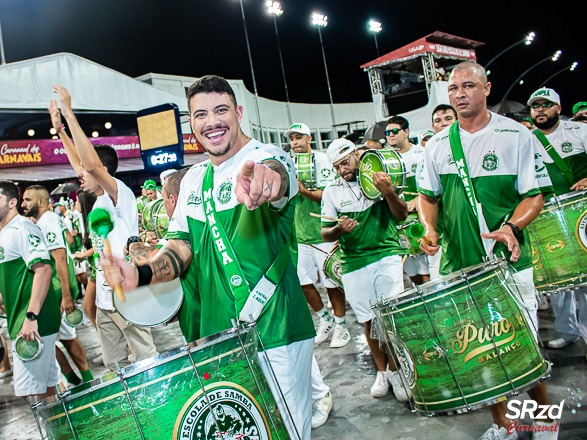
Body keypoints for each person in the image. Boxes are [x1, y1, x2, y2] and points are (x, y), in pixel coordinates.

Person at [101, 75, 315, 438]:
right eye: (200, 115)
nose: (211, 122)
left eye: (221, 110)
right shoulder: (193, 180)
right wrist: (144, 274)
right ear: (191, 123)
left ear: (239, 112)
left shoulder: (267, 156)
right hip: (220, 339)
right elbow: (179, 247)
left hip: (276, 331)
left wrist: (268, 180)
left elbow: (278, 177)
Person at [418, 61, 557, 440]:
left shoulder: (515, 135)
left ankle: (544, 423)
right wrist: (429, 227)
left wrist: (513, 226)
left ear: (487, 88)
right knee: (479, 350)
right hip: (459, 263)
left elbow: (534, 194)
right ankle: (504, 425)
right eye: (452, 89)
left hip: (508, 262)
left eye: (467, 86)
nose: (459, 94)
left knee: (523, 346)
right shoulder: (438, 144)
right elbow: (427, 196)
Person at [50, 85, 158, 372]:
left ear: (102, 171)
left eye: (85, 171)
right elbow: (83, 164)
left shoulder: (118, 193)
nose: (79, 176)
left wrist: (70, 114)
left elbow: (92, 167)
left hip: (128, 293)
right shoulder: (98, 199)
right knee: (114, 365)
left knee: (145, 357)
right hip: (107, 301)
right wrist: (60, 130)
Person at [321, 138, 412, 401]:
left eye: (345, 163)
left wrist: (389, 192)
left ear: (358, 155)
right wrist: (339, 229)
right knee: (368, 321)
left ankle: (397, 369)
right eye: (336, 167)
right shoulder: (332, 192)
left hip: (386, 254)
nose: (342, 170)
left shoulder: (380, 177)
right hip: (353, 262)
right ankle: (383, 372)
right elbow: (325, 233)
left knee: (390, 318)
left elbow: (402, 215)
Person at [528, 87, 587, 350]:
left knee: (585, 280)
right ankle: (568, 331)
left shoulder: (580, 131)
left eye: (546, 105)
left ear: (558, 109)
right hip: (550, 218)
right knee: (558, 278)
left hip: (582, 215)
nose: (540, 110)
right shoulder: (527, 140)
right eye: (535, 106)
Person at [285, 122, 349, 348]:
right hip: (299, 235)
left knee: (331, 281)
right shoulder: (288, 164)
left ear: (309, 138)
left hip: (323, 233)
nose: (295, 143)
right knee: (303, 282)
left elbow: (329, 196)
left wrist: (303, 191)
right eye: (292, 139)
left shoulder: (322, 160)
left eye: (299, 138)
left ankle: (342, 324)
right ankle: (326, 319)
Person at [21, 185, 93, 386]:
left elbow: (60, 257)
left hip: (55, 291)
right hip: (54, 289)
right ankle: (76, 380)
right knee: (52, 340)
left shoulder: (46, 222)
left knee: (63, 338)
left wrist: (67, 294)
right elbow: (69, 241)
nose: (23, 204)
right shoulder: (50, 220)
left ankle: (85, 381)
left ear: (41, 202)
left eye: (28, 199)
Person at [0, 181, 61, 401]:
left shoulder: (22, 228)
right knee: (46, 387)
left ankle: (57, 433)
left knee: (32, 393)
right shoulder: (6, 232)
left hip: (35, 321)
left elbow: (43, 270)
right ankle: (64, 431)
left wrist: (31, 317)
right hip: (23, 318)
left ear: (11, 202)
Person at [386, 115, 429, 285]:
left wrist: (419, 198)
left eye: (394, 131)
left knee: (427, 270)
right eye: (387, 132)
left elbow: (432, 184)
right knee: (412, 271)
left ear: (406, 132)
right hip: (399, 222)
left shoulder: (421, 153)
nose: (390, 135)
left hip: (421, 218)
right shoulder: (386, 159)